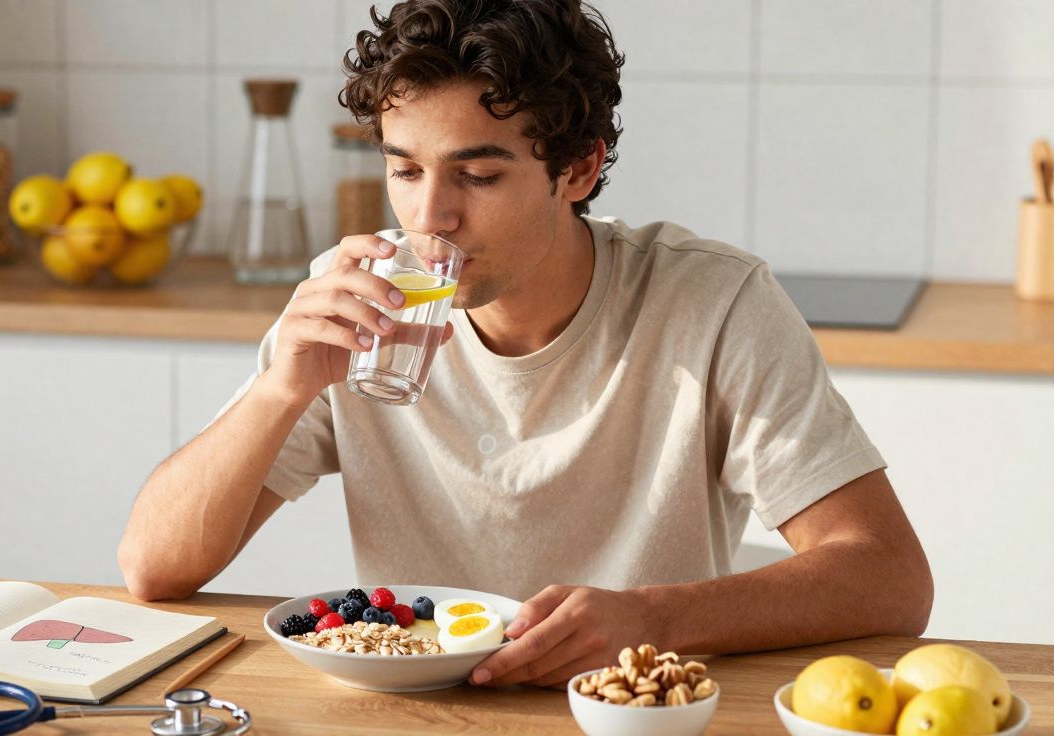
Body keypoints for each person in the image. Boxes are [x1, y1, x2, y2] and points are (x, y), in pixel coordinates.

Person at [118, 0, 933, 688]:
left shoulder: (710, 303)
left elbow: (888, 575)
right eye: (405, 171)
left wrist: (650, 617)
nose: (430, 217)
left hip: (624, 711)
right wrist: (280, 390)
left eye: (477, 176)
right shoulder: (355, 308)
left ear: (578, 169)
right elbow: (154, 568)